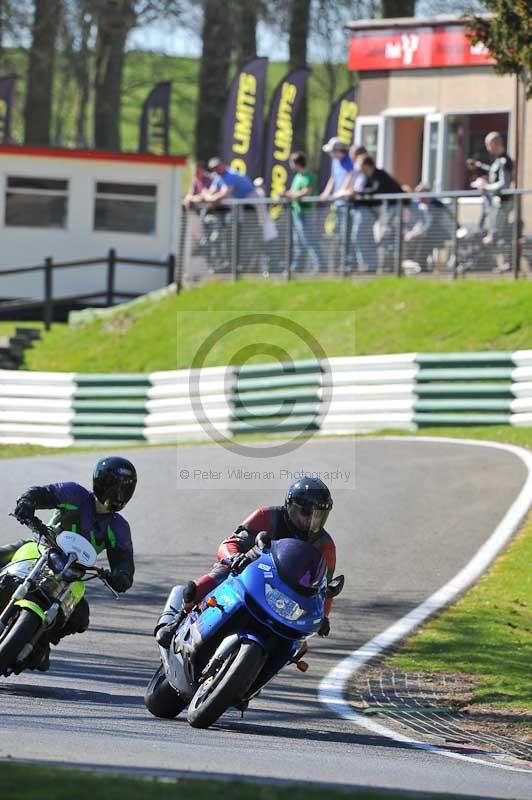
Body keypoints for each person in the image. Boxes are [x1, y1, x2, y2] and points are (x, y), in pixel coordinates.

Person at [156, 476, 337, 647]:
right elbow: (230, 543)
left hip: (287, 596)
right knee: (217, 575)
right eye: (306, 513)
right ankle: (178, 618)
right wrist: (234, 558)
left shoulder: (325, 545)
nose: (311, 521)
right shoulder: (267, 516)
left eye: (319, 515)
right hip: (249, 570)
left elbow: (323, 587)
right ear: (290, 505)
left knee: (300, 643)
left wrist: (324, 617)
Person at [0, 456, 137, 671]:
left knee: (80, 618)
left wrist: (120, 577)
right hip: (43, 547)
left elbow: (124, 563)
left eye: (125, 489)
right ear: (101, 482)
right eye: (115, 487)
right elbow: (41, 493)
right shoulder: (74, 494)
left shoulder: (118, 527)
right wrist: (27, 503)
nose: (119, 494)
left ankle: (40, 642)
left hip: (72, 573)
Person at [467, 131, 514, 271]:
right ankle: (502, 264)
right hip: (498, 203)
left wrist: (486, 187)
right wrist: (479, 165)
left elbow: (503, 184)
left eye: (488, 144)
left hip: (502, 203)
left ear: (495, 143)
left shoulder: (504, 160)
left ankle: (507, 264)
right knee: (495, 234)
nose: (487, 148)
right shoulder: (499, 160)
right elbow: (495, 173)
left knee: (498, 234)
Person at [358, 156, 404, 272]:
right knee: (385, 235)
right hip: (388, 207)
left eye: (361, 166)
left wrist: (361, 193)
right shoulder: (369, 177)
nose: (359, 169)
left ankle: (396, 266)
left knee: (388, 234)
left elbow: (377, 189)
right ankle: (391, 265)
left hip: (396, 205)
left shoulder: (379, 174)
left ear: (367, 165)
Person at [281, 151, 323, 273]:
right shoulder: (298, 176)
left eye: (291, 162)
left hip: (306, 212)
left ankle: (320, 266)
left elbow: (306, 192)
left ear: (296, 163)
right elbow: (294, 192)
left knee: (310, 240)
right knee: (298, 242)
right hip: (297, 213)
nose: (290, 165)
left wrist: (290, 195)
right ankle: (296, 269)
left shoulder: (309, 175)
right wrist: (285, 194)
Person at [320, 137, 354, 272]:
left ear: (339, 150)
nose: (330, 154)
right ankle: (343, 263)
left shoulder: (349, 162)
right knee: (340, 234)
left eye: (332, 151)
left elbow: (349, 176)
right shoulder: (335, 162)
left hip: (347, 204)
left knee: (347, 234)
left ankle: (348, 264)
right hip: (338, 204)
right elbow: (333, 178)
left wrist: (341, 192)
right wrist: (326, 192)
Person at [403, 182, 455, 271]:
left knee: (423, 241)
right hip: (430, 234)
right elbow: (421, 223)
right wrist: (412, 232)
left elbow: (433, 225)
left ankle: (423, 268)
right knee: (413, 239)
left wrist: (419, 234)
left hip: (442, 234)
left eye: (420, 193)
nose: (418, 196)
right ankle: (412, 263)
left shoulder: (436, 205)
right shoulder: (423, 206)